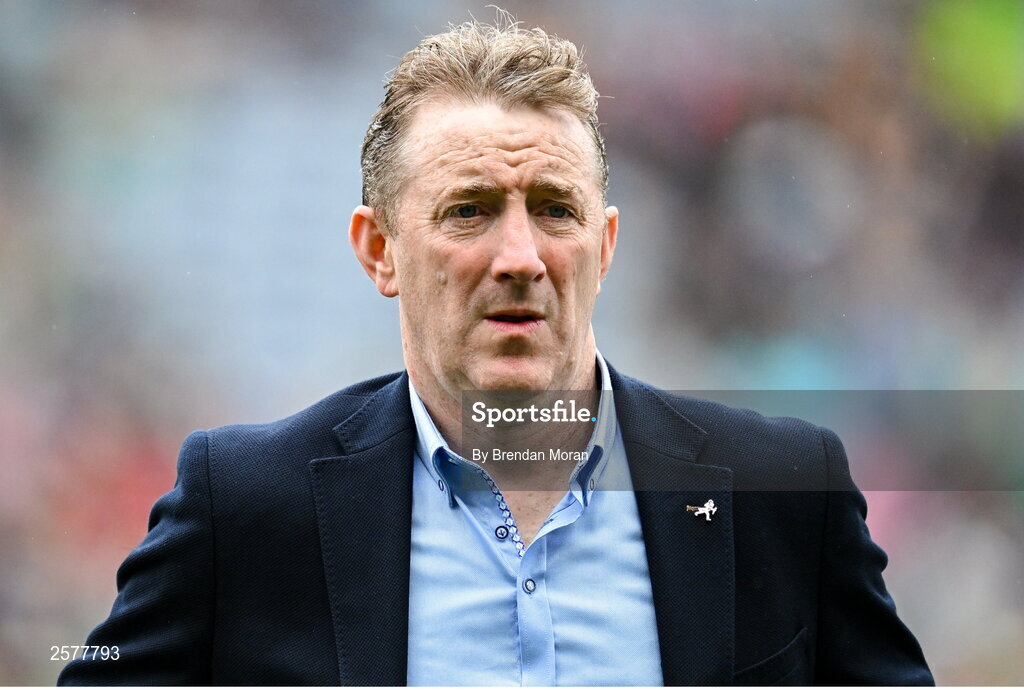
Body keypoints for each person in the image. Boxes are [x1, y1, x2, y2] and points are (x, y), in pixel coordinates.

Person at [59, 16, 933, 686]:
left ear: (605, 247)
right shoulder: (246, 507)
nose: (521, 257)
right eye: (469, 210)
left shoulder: (783, 493)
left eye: (555, 209)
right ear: (379, 250)